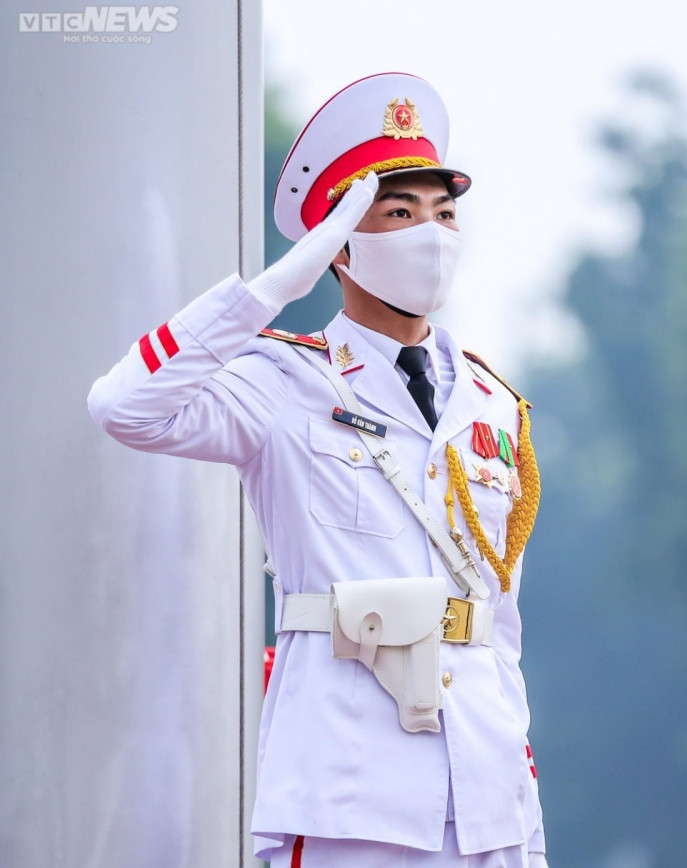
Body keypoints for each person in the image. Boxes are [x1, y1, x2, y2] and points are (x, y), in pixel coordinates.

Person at [88, 72, 548, 868]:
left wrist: (523, 803)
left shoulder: (493, 405)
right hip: (350, 796)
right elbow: (125, 407)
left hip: (486, 798)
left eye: (444, 214)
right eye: (398, 214)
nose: (430, 236)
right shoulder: (283, 381)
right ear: (338, 243)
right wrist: (272, 288)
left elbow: (498, 623)